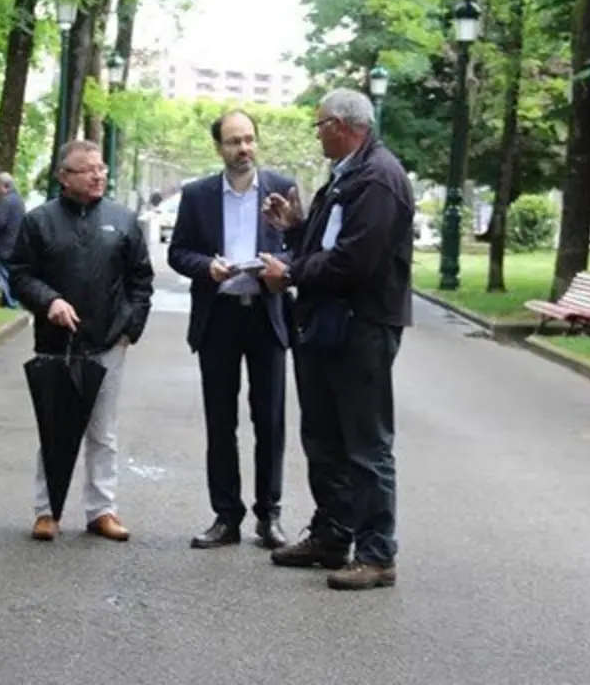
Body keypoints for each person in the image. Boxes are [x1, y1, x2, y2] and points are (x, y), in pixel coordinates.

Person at [258, 87, 415, 591]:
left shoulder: (378, 178)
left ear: (345, 126)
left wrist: (293, 272)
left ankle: (377, 553)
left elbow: (355, 261)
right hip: (328, 323)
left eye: (320, 124)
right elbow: (334, 245)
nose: (317, 132)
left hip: (361, 326)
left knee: (365, 445)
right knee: (324, 437)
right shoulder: (350, 174)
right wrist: (298, 227)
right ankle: (332, 535)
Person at [8, 140, 154, 542]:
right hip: (57, 341)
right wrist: (48, 300)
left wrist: (131, 327)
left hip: (109, 340)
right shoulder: (40, 221)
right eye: (87, 169)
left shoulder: (123, 220)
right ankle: (46, 509)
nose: (97, 175)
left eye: (101, 168)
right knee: (54, 428)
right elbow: (20, 275)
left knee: (103, 431)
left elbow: (141, 279)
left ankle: (102, 508)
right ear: (64, 177)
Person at [167, 110, 295, 550]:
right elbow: (178, 251)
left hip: (266, 314)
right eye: (233, 141)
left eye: (248, 139)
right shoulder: (198, 194)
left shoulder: (282, 188)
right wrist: (207, 268)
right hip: (219, 317)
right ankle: (226, 516)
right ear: (217, 147)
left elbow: (303, 246)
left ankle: (269, 516)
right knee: (220, 422)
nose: (242, 149)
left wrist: (284, 269)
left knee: (271, 422)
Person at [0, 172, 25, 308]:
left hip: (4, 245)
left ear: (4, 186)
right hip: (16, 245)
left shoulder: (6, 200)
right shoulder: (19, 200)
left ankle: (12, 303)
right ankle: (12, 301)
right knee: (10, 276)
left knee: (4, 276)